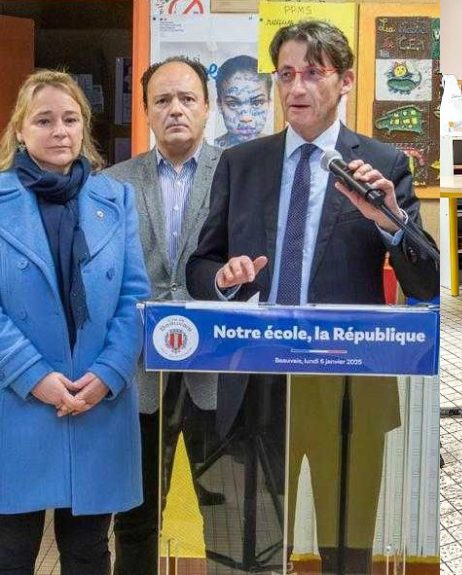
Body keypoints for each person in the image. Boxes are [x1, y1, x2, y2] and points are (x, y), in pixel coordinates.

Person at [186, 20, 438, 572]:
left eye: (313, 74)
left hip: (348, 385)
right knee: (253, 546)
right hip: (257, 384)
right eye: (286, 75)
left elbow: (428, 282)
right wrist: (222, 279)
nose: (296, 89)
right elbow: (198, 268)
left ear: (345, 80)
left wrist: (389, 221)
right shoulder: (241, 164)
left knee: (346, 553)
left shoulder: (382, 166)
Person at [0, 70, 149, 574]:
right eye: (44, 120)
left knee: (88, 552)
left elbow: (134, 297)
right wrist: (33, 376)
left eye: (70, 119)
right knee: (11, 551)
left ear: (84, 127)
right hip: (16, 401)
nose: (60, 131)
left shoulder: (116, 200)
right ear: (20, 130)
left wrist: (107, 375)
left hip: (95, 403)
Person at [103, 56, 224, 575]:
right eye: (163, 100)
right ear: (146, 111)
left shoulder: (238, 174)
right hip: (136, 372)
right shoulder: (111, 184)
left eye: (187, 98)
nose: (176, 109)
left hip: (217, 370)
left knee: (225, 508)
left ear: (207, 106)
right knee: (135, 514)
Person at [213, 55, 271, 148]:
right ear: (220, 105)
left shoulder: (281, 151)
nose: (245, 118)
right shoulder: (209, 153)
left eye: (256, 103)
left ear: (269, 103)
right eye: (233, 104)